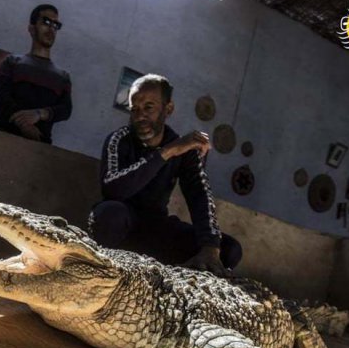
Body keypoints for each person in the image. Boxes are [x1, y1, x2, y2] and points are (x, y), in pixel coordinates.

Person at [89, 74, 242, 276]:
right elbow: (113, 189)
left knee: (229, 249)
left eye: (149, 107)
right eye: (134, 109)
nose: (140, 116)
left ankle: (172, 276)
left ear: (168, 109)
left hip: (156, 231)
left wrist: (210, 247)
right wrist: (167, 152)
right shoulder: (119, 139)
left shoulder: (184, 149)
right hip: (122, 228)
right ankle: (107, 272)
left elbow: (199, 195)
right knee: (108, 214)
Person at [0, 4, 72, 144]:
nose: (51, 28)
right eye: (46, 22)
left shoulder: (62, 76)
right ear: (31, 28)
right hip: (3, 136)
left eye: (55, 24)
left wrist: (39, 114)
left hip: (39, 143)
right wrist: (24, 124)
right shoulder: (13, 62)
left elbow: (65, 109)